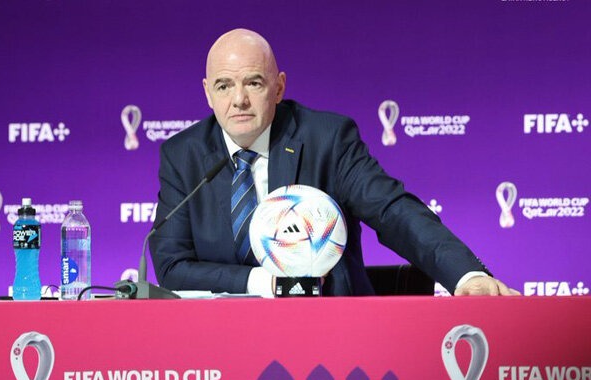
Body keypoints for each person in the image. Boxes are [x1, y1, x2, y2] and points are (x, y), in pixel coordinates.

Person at [149, 28, 519, 297]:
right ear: (208, 93)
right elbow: (171, 266)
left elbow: (393, 211)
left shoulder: (327, 139)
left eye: (254, 83)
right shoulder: (183, 156)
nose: (239, 100)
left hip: (329, 329)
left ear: (278, 87)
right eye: (224, 86)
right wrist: (264, 283)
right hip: (224, 338)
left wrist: (465, 275)